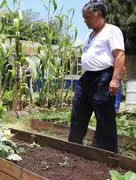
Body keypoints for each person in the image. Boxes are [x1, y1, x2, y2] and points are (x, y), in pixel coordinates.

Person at [68, 0, 125, 153]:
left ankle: (106, 154)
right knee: (78, 113)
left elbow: (119, 55)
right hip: (86, 78)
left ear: (98, 14)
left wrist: (115, 79)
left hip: (103, 77)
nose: (85, 21)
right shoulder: (90, 34)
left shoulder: (112, 30)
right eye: (84, 17)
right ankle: (74, 148)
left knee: (104, 117)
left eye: (87, 17)